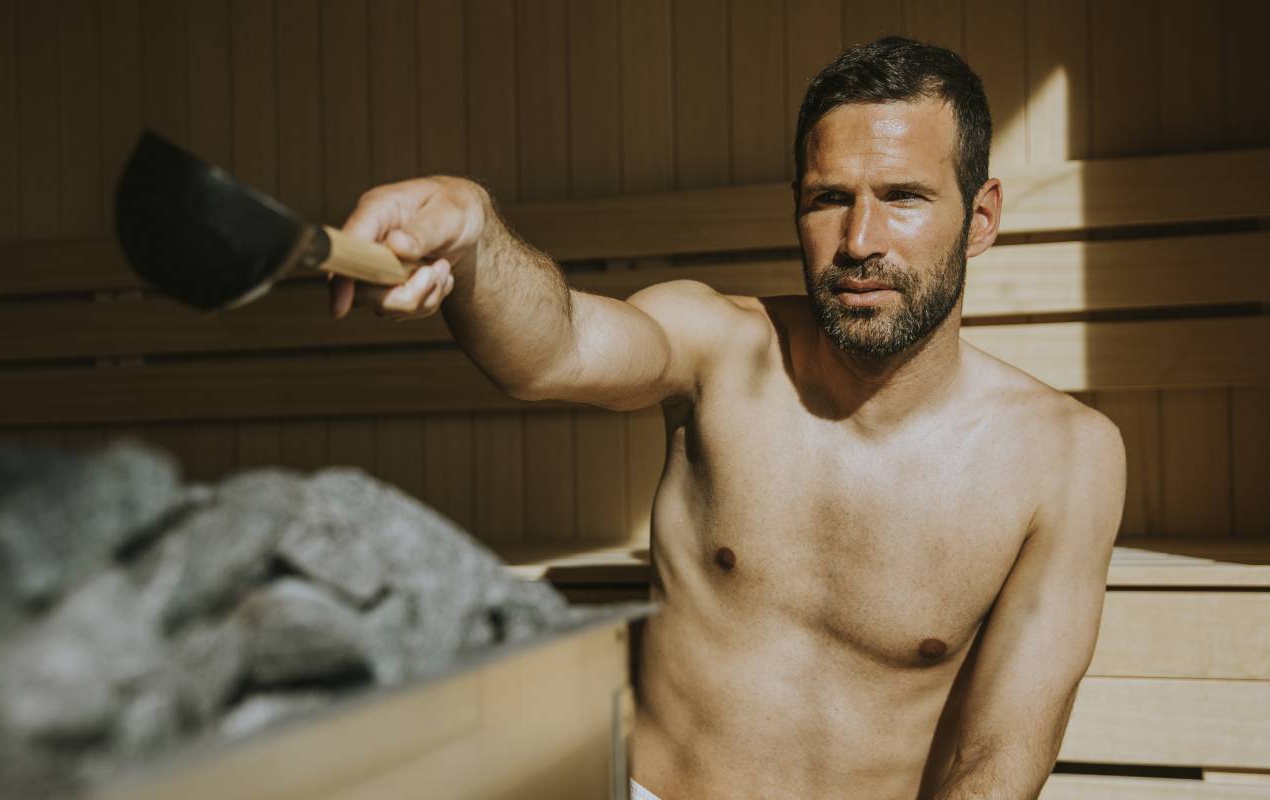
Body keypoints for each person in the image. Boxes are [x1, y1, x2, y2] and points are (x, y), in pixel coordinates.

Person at [330, 36, 1125, 800]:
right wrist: (471, 230)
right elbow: (556, 349)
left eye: (904, 197)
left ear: (979, 218)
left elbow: (1000, 754)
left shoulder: (1064, 457)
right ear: (796, 210)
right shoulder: (718, 348)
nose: (859, 241)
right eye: (828, 200)